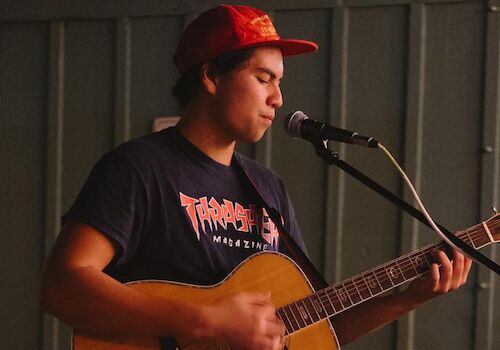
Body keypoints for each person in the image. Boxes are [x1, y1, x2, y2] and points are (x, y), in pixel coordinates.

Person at [40, 4, 472, 350]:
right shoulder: (138, 168)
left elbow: (309, 327)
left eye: (279, 82)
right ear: (210, 76)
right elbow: (62, 285)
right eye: (263, 78)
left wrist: (409, 296)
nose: (278, 99)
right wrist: (206, 321)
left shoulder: (267, 189)